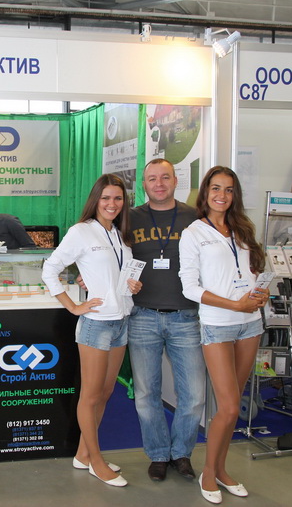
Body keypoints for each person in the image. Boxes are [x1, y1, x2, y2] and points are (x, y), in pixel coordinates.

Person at [41, 174, 141, 488]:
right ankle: (97, 461)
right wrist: (72, 306)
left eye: (118, 198)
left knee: (106, 393)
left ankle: (83, 454)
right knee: (91, 395)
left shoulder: (120, 234)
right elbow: (50, 269)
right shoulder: (81, 231)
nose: (112, 204)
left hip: (121, 321)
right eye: (106, 198)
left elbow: (113, 276)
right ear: (96, 200)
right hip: (96, 324)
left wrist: (132, 286)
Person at [178, 166, 268, 504]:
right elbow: (190, 288)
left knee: (232, 406)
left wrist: (260, 293)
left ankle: (221, 469)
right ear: (205, 192)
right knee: (228, 407)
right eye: (216, 188)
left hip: (250, 323)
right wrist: (234, 304)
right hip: (217, 324)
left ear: (235, 195)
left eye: (229, 190)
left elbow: (252, 272)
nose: (222, 195)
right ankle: (208, 473)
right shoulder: (193, 233)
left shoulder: (243, 228)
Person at [127, 159, 205, 483]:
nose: (158, 184)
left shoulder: (195, 217)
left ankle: (182, 452)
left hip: (186, 317)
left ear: (175, 180)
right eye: (152, 179)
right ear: (144, 184)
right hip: (142, 316)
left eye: (164, 178)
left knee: (195, 395)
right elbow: (112, 256)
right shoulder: (129, 217)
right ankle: (159, 453)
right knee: (147, 394)